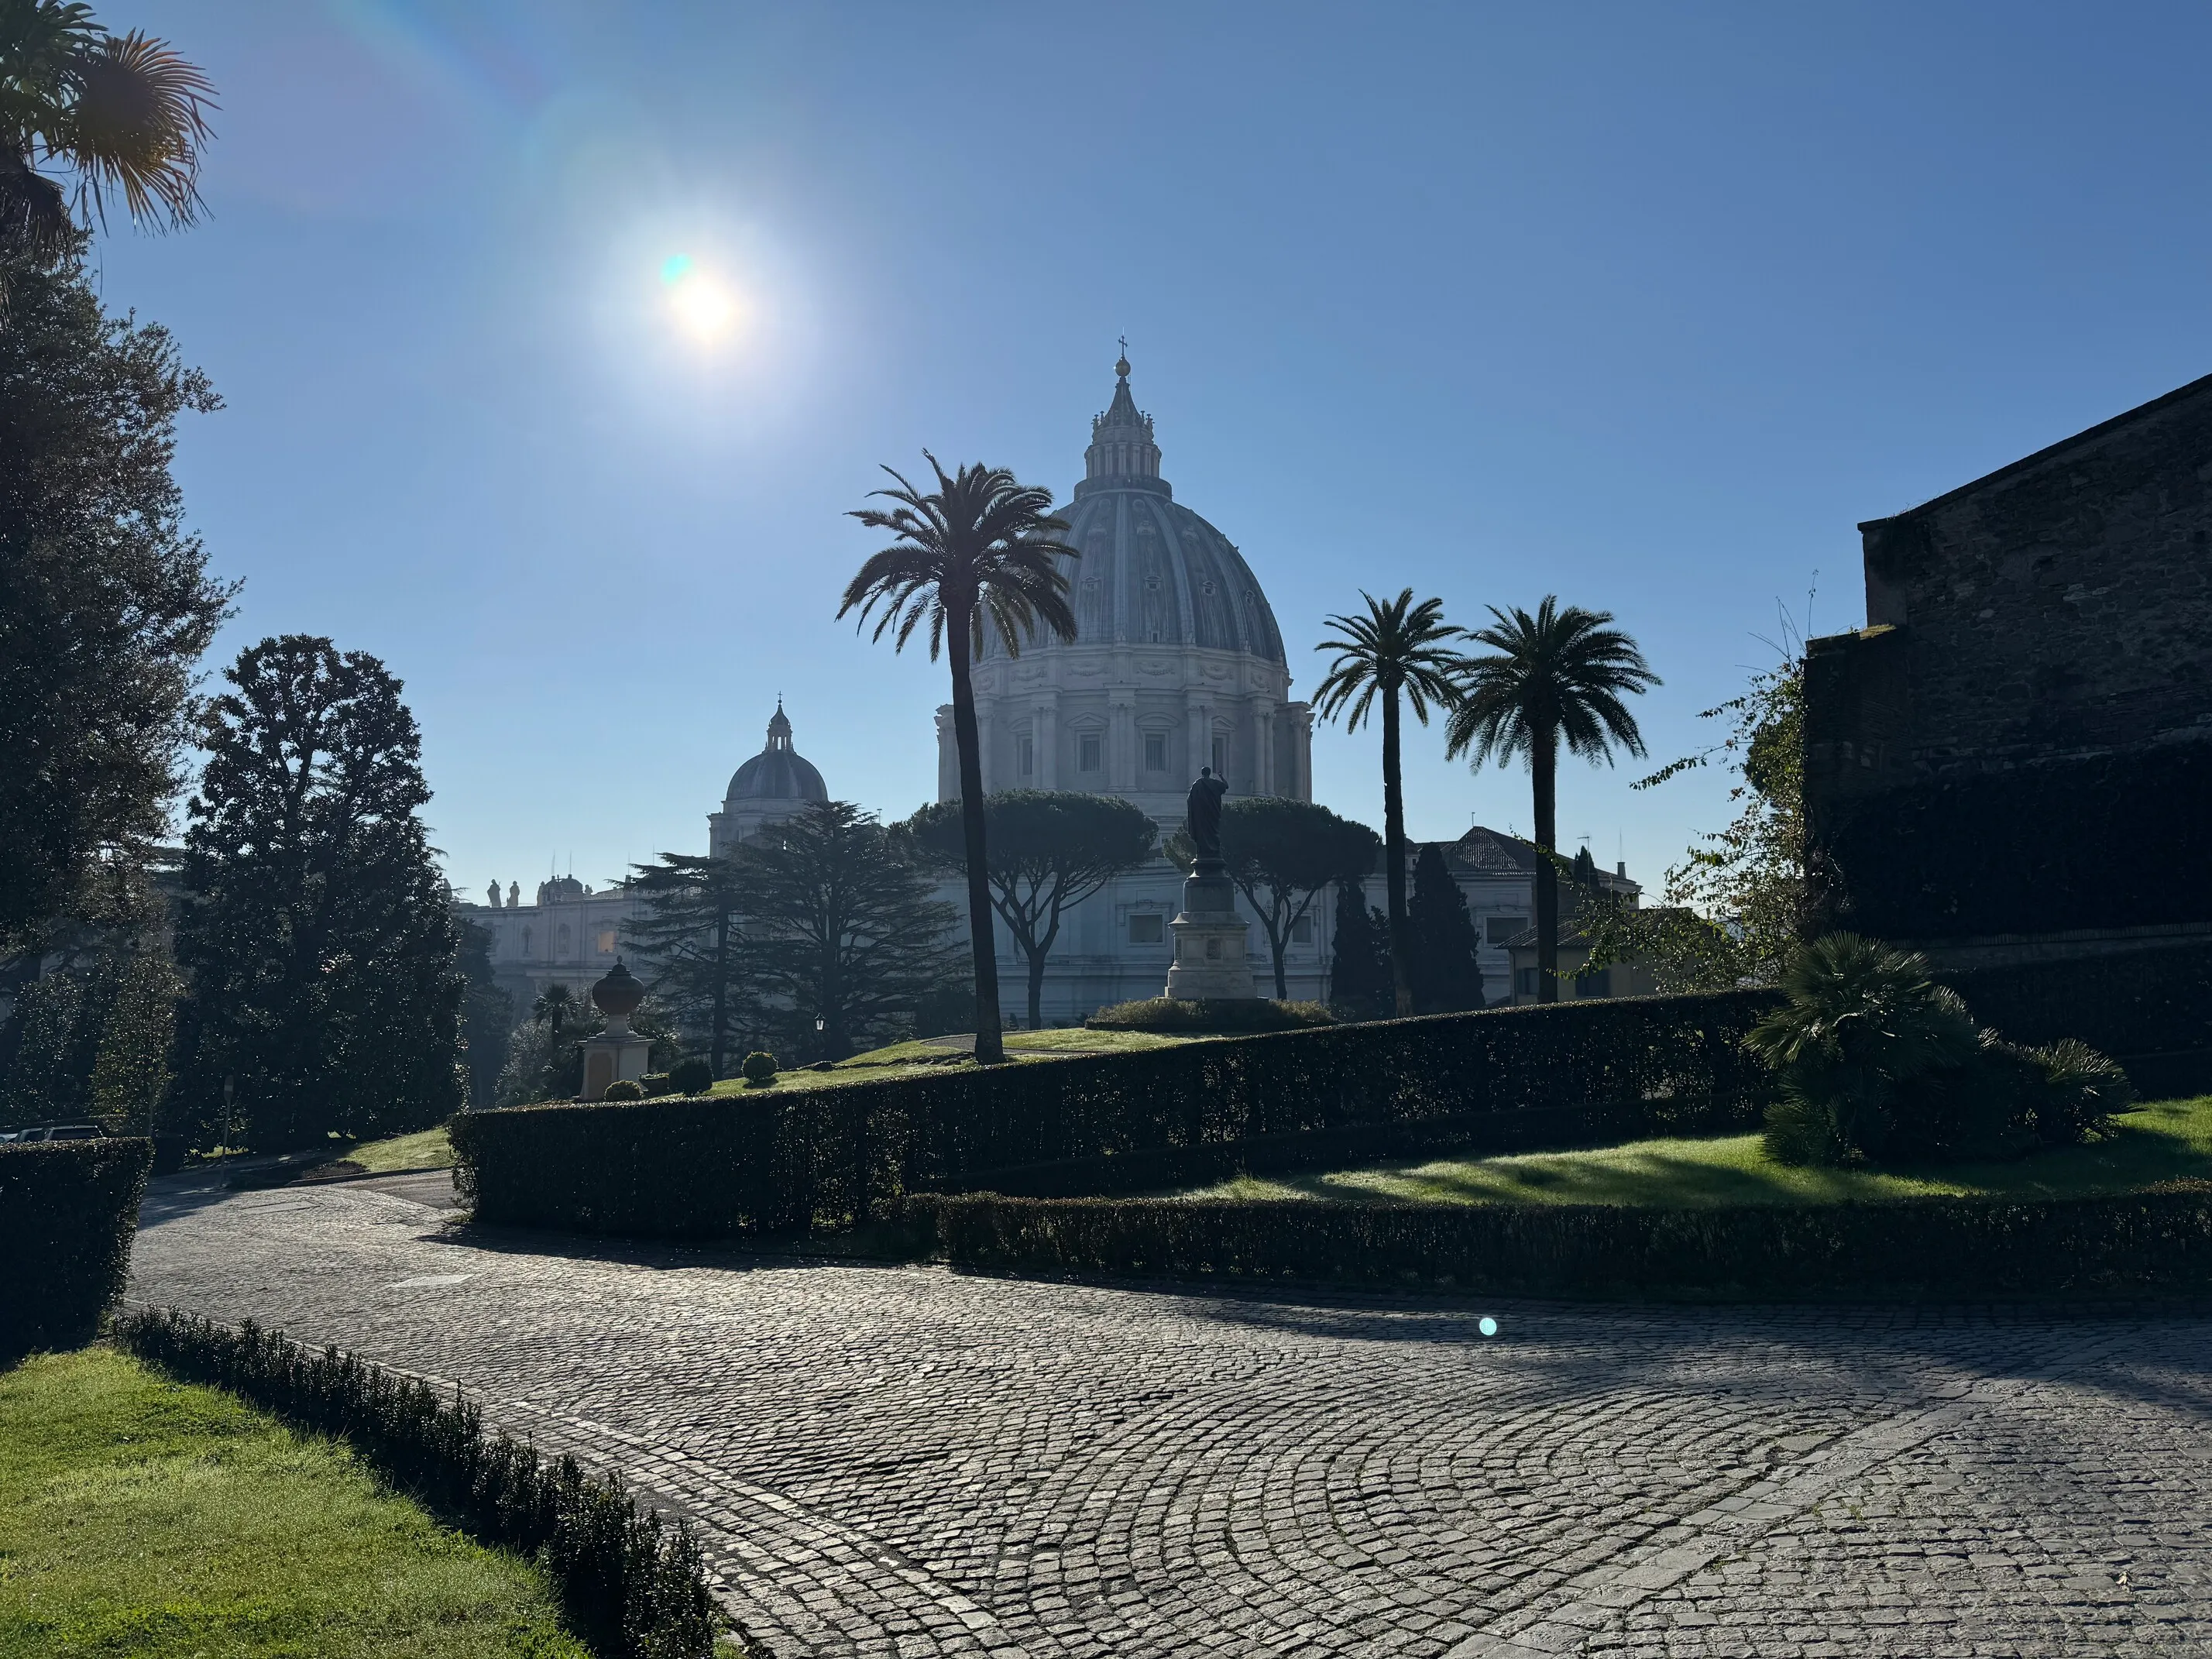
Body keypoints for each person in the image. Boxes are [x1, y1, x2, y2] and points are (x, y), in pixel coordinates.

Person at [1185, 765, 1228, 860]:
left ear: (1202, 773)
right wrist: (1220, 776)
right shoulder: (1215, 783)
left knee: (1202, 835)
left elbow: (1190, 799)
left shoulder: (1197, 784)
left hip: (1201, 815)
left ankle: (1202, 852)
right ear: (1209, 773)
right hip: (1213, 814)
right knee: (1213, 834)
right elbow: (1226, 786)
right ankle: (1214, 851)